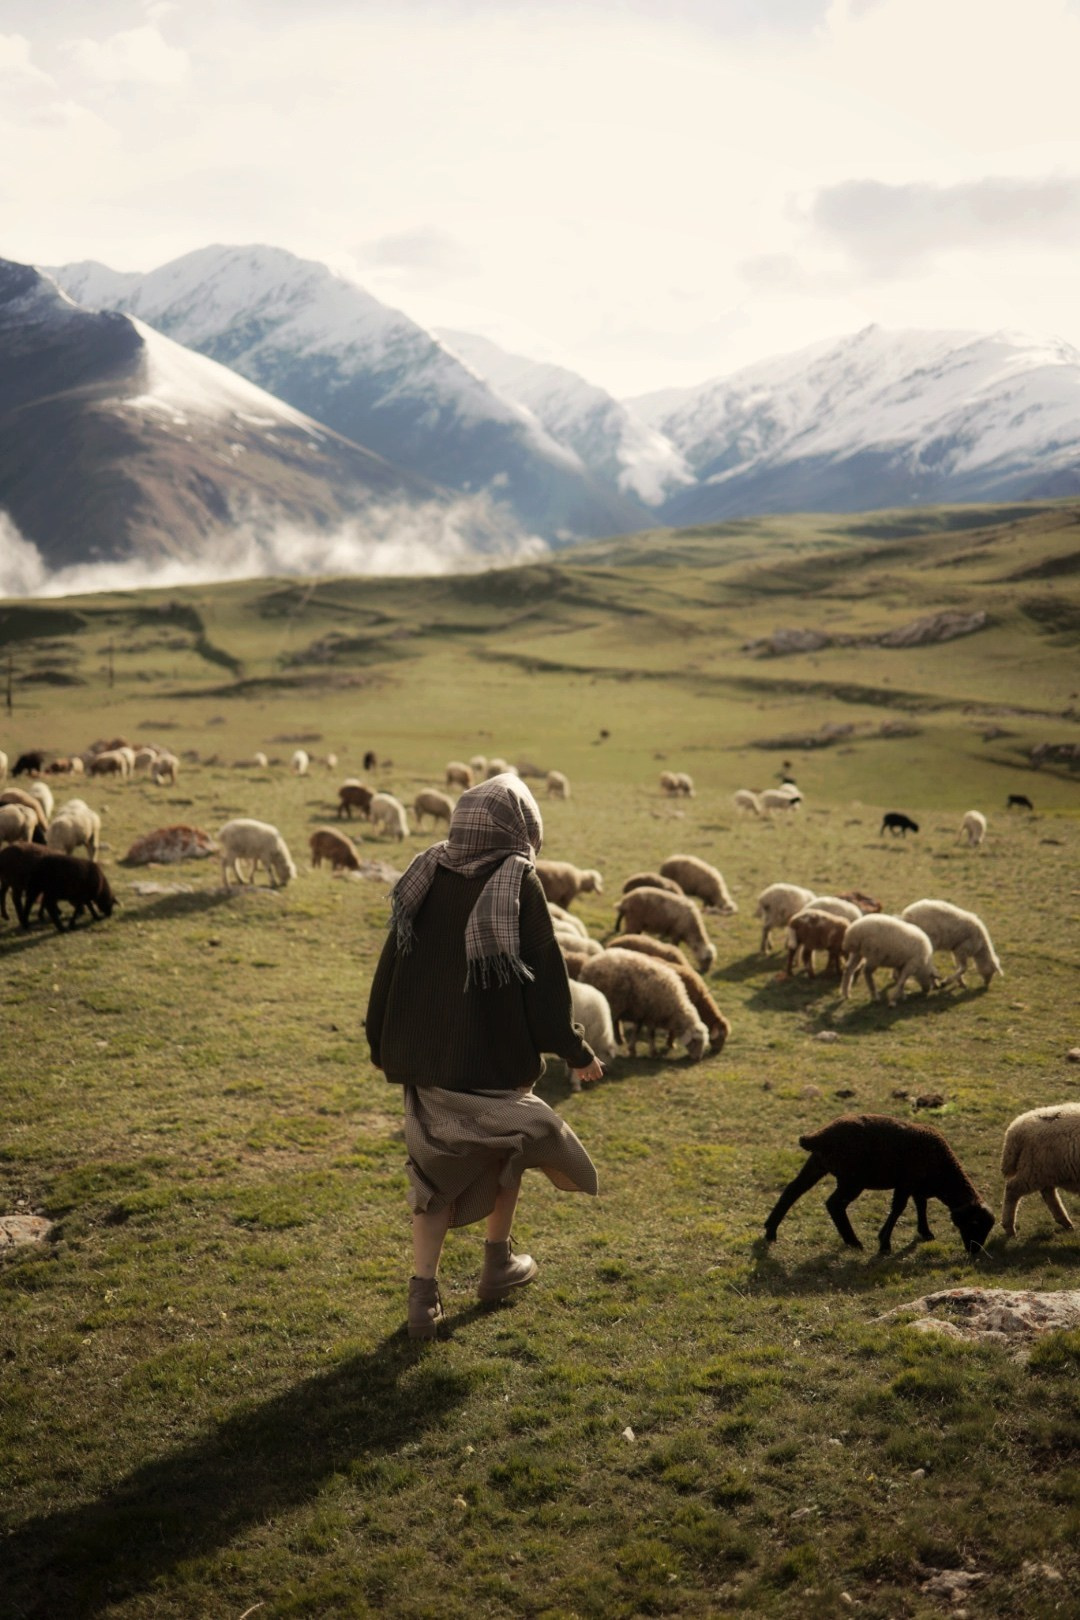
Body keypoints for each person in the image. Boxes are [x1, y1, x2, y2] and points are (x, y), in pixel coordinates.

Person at [365, 773, 603, 1339]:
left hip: (426, 1062)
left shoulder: (423, 874)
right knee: (507, 1153)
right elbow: (545, 989)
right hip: (491, 1063)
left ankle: (423, 1299)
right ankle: (496, 1265)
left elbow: (390, 967)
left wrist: (381, 1040)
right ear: (522, 826)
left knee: (431, 1174)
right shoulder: (519, 884)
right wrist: (575, 1050)